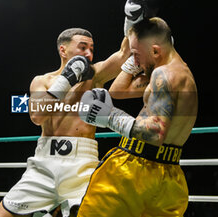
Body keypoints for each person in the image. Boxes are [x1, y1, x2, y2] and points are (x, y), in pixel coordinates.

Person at [0, 27, 133, 217]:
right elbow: (37, 117)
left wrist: (132, 22)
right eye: (83, 48)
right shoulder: (42, 81)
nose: (89, 54)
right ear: (63, 50)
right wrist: (66, 80)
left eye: (92, 48)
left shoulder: (95, 75)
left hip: (82, 165)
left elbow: (124, 53)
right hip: (43, 165)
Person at [77, 16, 198, 216]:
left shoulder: (163, 76)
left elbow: (156, 132)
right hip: (170, 176)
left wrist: (109, 116)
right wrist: (135, 56)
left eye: (136, 55)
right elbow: (117, 90)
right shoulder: (180, 73)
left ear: (155, 51)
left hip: (132, 171)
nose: (135, 61)